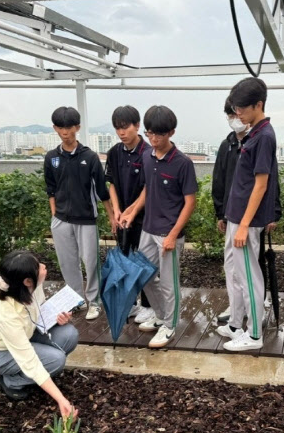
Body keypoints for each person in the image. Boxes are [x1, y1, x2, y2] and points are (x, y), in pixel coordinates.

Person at [120, 105, 197, 349]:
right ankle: (162, 315)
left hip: (168, 233)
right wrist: (132, 212)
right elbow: (147, 189)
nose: (153, 139)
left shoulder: (183, 163)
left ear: (171, 133)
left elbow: (190, 202)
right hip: (148, 229)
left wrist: (173, 235)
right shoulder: (147, 156)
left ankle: (170, 325)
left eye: (159, 135)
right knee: (143, 275)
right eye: (150, 133)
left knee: (168, 282)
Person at [215, 77, 279, 351]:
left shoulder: (264, 136)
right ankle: (236, 324)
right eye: (235, 108)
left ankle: (254, 335)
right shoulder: (254, 132)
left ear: (258, 105)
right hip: (236, 217)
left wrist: (243, 225)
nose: (237, 113)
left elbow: (261, 183)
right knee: (236, 273)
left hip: (246, 221)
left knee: (249, 276)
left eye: (241, 108)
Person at [0, 251, 78, 418]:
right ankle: (11, 382)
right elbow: (28, 359)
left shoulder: (26, 287)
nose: (44, 266)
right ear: (27, 281)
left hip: (26, 333)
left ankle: (38, 377)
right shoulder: (4, 313)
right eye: (39, 267)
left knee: (69, 333)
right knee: (56, 360)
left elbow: (35, 313)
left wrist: (58, 318)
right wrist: (61, 400)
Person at [44, 106, 114, 321]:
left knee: (90, 262)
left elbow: (102, 192)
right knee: (67, 263)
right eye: (61, 128)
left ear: (78, 128)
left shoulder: (90, 157)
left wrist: (112, 217)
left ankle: (94, 302)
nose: (65, 132)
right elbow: (51, 189)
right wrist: (55, 215)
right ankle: (75, 300)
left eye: (70, 127)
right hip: (62, 220)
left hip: (86, 220)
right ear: (55, 129)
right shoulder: (51, 157)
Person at [105, 105, 155, 325]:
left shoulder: (147, 152)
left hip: (143, 218)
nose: (121, 132)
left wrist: (132, 211)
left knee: (143, 260)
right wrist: (116, 211)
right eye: (118, 128)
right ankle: (131, 302)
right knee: (124, 259)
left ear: (137, 126)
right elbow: (112, 183)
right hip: (122, 218)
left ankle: (148, 305)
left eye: (125, 127)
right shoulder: (115, 152)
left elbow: (148, 188)